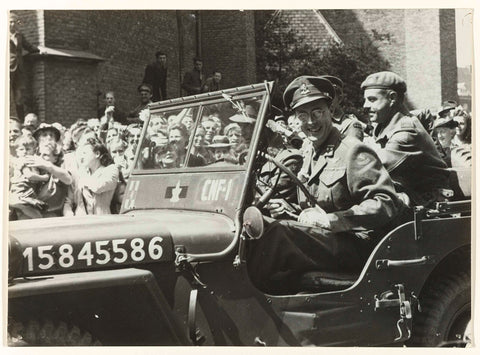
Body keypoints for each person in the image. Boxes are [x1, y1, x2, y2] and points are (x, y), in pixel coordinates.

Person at [247, 76, 403, 294]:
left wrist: (332, 221)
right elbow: (314, 206)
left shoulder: (352, 150)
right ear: (296, 119)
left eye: (317, 112)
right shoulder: (310, 152)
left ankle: (248, 303)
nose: (311, 122)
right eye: (303, 115)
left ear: (330, 112)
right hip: (326, 241)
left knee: (277, 235)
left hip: (355, 244)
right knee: (257, 227)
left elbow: (386, 203)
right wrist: (288, 209)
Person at [361, 71, 450, 206]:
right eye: (366, 100)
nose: (365, 106)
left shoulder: (407, 132)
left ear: (392, 98)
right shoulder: (386, 126)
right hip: (409, 196)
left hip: (426, 205)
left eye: (372, 99)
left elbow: (373, 169)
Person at [64, 138, 119, 216]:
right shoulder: (77, 174)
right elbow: (68, 201)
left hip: (102, 220)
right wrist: (69, 215)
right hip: (80, 222)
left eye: (85, 153)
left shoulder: (111, 170)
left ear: (97, 154)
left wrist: (84, 180)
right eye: (81, 153)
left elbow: (98, 187)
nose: (82, 157)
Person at [10, 13, 40, 120]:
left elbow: (28, 46)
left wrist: (39, 50)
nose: (12, 24)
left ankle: (20, 120)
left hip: (19, 69)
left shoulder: (19, 36)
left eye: (14, 22)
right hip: (6, 69)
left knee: (19, 96)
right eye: (10, 22)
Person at [321, 75, 365, 141]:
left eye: (329, 98)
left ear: (339, 98)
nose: (324, 102)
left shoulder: (350, 124)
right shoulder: (313, 122)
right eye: (321, 99)